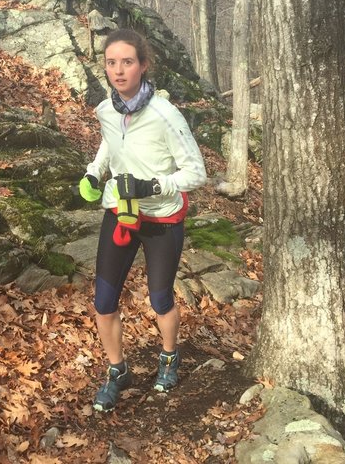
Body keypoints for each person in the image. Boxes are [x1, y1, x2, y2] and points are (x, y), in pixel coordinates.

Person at [78, 28, 207, 412]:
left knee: (160, 298)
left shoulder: (165, 115)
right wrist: (93, 172)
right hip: (120, 211)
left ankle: (169, 357)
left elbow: (196, 173)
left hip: (162, 219)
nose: (119, 71)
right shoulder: (106, 110)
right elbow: (109, 143)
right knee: (103, 302)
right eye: (111, 62)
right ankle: (118, 371)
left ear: (143, 65)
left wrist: (154, 186)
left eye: (127, 62)